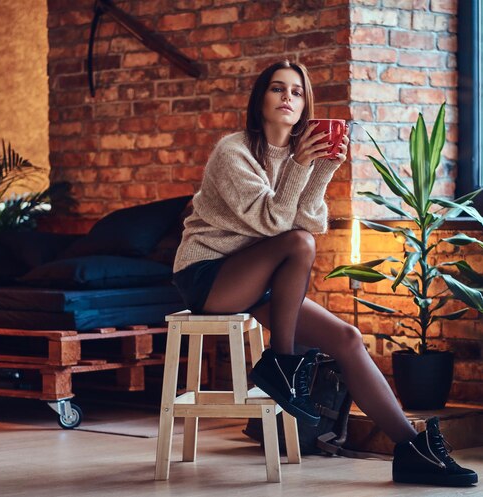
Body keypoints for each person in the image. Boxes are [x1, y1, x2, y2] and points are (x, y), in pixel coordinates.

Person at [172, 60, 478, 487]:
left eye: (297, 92)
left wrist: (325, 167)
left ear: (305, 105)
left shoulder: (301, 154)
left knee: (347, 339)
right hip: (209, 273)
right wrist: (300, 165)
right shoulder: (234, 151)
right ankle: (282, 363)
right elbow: (276, 225)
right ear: (261, 100)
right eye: (278, 89)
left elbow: (310, 220)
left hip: (260, 278)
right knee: (298, 245)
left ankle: (412, 449)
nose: (288, 98)